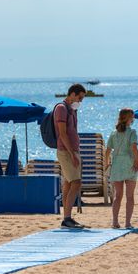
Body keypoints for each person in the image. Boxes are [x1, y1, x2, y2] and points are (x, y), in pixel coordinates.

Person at [54, 83, 87, 228]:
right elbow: (62, 133)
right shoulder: (61, 108)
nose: (80, 101)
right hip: (66, 151)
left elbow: (72, 130)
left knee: (69, 183)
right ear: (72, 94)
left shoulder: (72, 110)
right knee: (76, 182)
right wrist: (72, 154)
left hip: (73, 151)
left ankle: (67, 218)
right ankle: (67, 218)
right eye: (79, 98)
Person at [104, 108, 138, 228]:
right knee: (130, 196)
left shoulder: (113, 133)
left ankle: (115, 222)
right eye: (132, 117)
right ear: (130, 118)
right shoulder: (132, 132)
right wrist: (137, 161)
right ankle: (128, 223)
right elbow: (134, 148)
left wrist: (107, 163)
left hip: (117, 165)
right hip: (129, 164)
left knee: (117, 196)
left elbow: (107, 151)